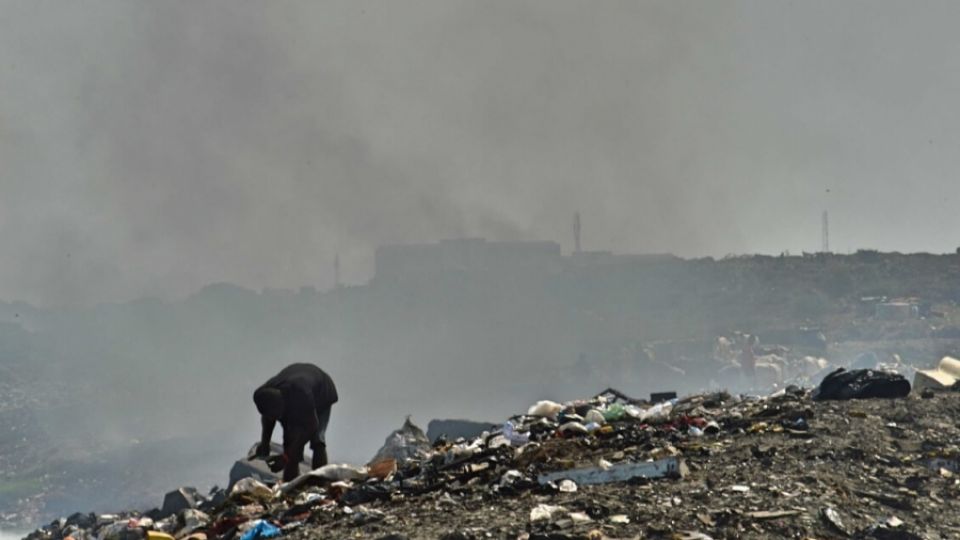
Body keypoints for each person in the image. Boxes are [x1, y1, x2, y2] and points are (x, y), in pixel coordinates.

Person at [252, 363, 338, 482]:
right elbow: (267, 418)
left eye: (278, 415)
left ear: (283, 405)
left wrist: (286, 457)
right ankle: (290, 485)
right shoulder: (265, 394)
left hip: (322, 394)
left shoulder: (301, 393)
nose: (278, 419)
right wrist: (265, 443)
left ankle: (320, 483)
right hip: (298, 388)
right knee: (290, 443)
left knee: (317, 440)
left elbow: (312, 426)